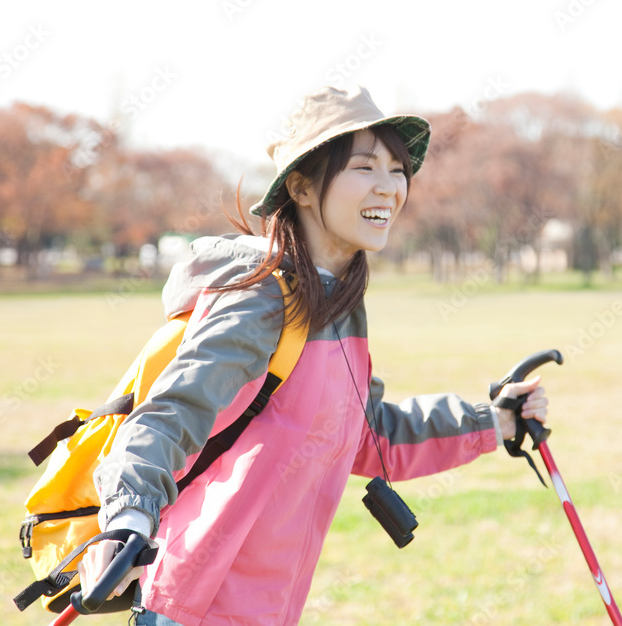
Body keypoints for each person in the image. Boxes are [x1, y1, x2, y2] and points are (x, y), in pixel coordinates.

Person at [78, 85, 548, 626]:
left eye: (397, 170)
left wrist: (494, 421)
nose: (388, 187)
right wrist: (128, 516)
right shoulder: (261, 298)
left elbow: (370, 436)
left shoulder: (341, 306)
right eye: (365, 167)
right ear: (301, 187)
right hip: (198, 606)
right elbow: (172, 412)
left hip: (272, 610)